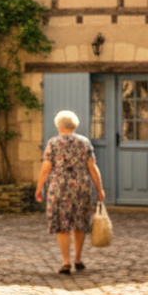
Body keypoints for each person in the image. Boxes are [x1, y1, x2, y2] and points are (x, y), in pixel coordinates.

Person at [34, 110, 105, 275]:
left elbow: (46, 168)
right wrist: (99, 189)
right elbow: (92, 167)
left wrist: (39, 188)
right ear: (74, 125)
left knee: (62, 224)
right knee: (79, 222)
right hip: (81, 187)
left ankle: (66, 262)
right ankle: (78, 259)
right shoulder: (84, 142)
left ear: (58, 125)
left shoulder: (53, 143)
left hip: (59, 187)